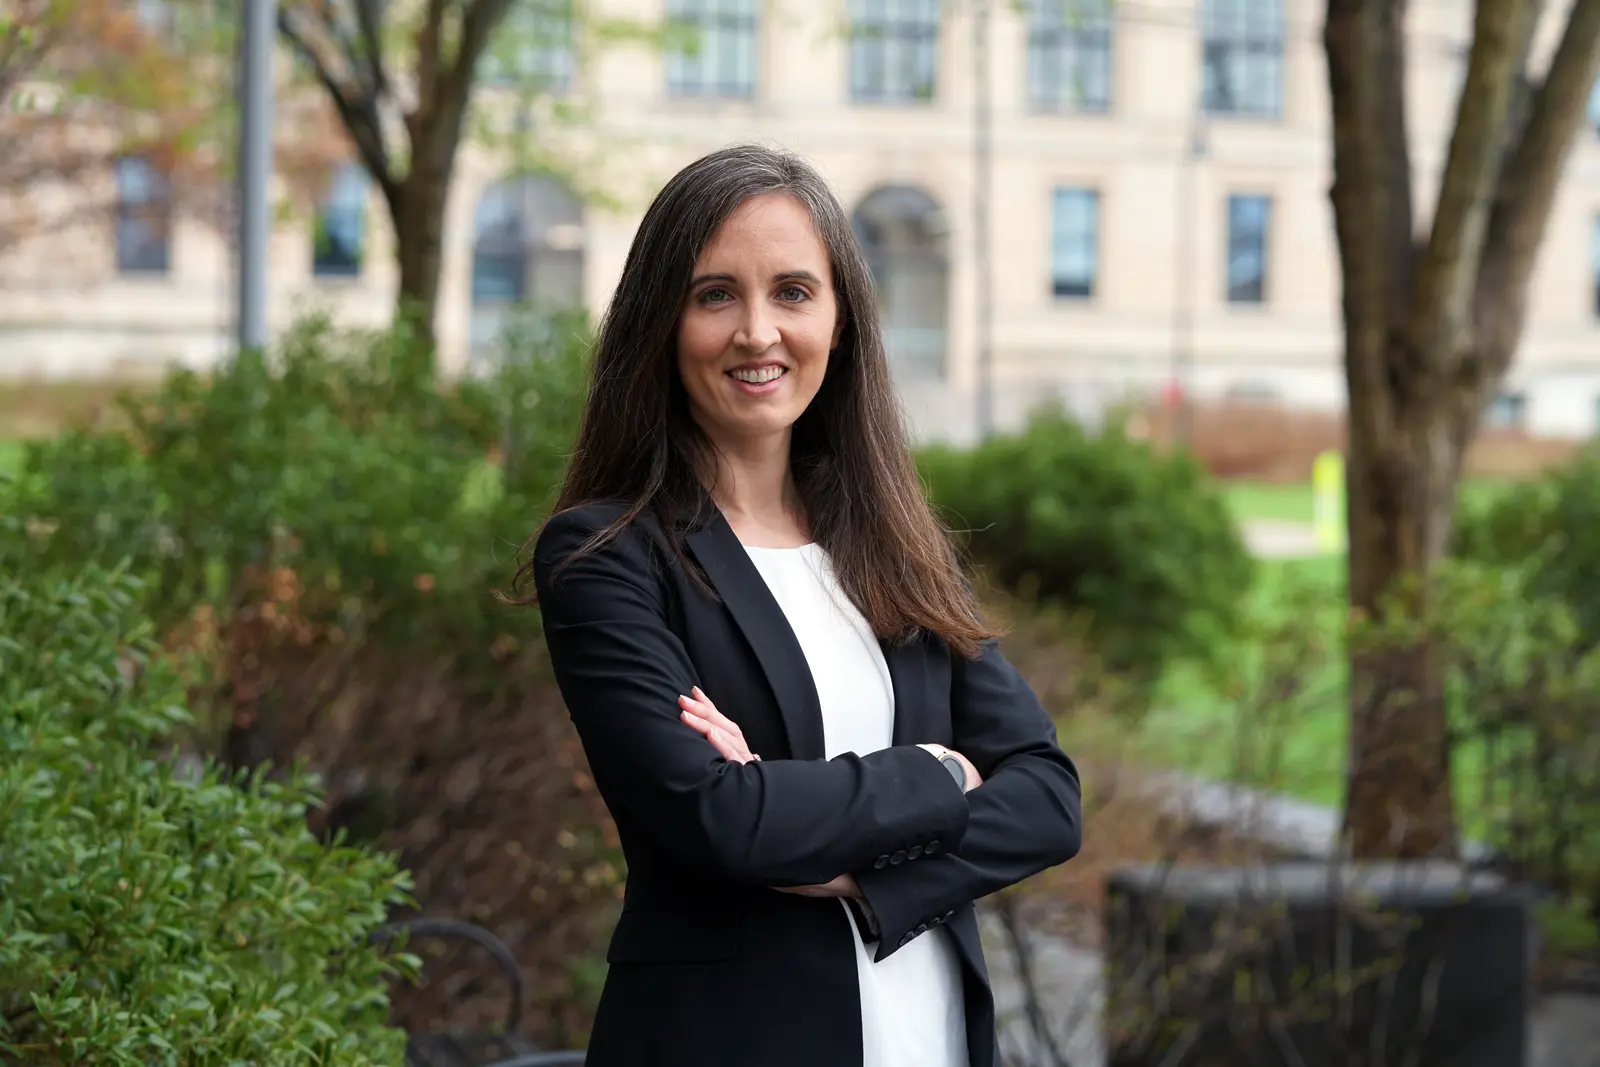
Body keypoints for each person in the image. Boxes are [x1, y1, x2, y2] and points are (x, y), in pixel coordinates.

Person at [514, 143, 1083, 1067]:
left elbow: (1050, 796)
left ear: (841, 320)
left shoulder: (891, 543)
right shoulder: (608, 557)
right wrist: (938, 772)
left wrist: (860, 871)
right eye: (713, 295)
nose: (756, 332)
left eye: (791, 291)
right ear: (659, 323)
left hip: (928, 1037)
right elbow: (723, 820)